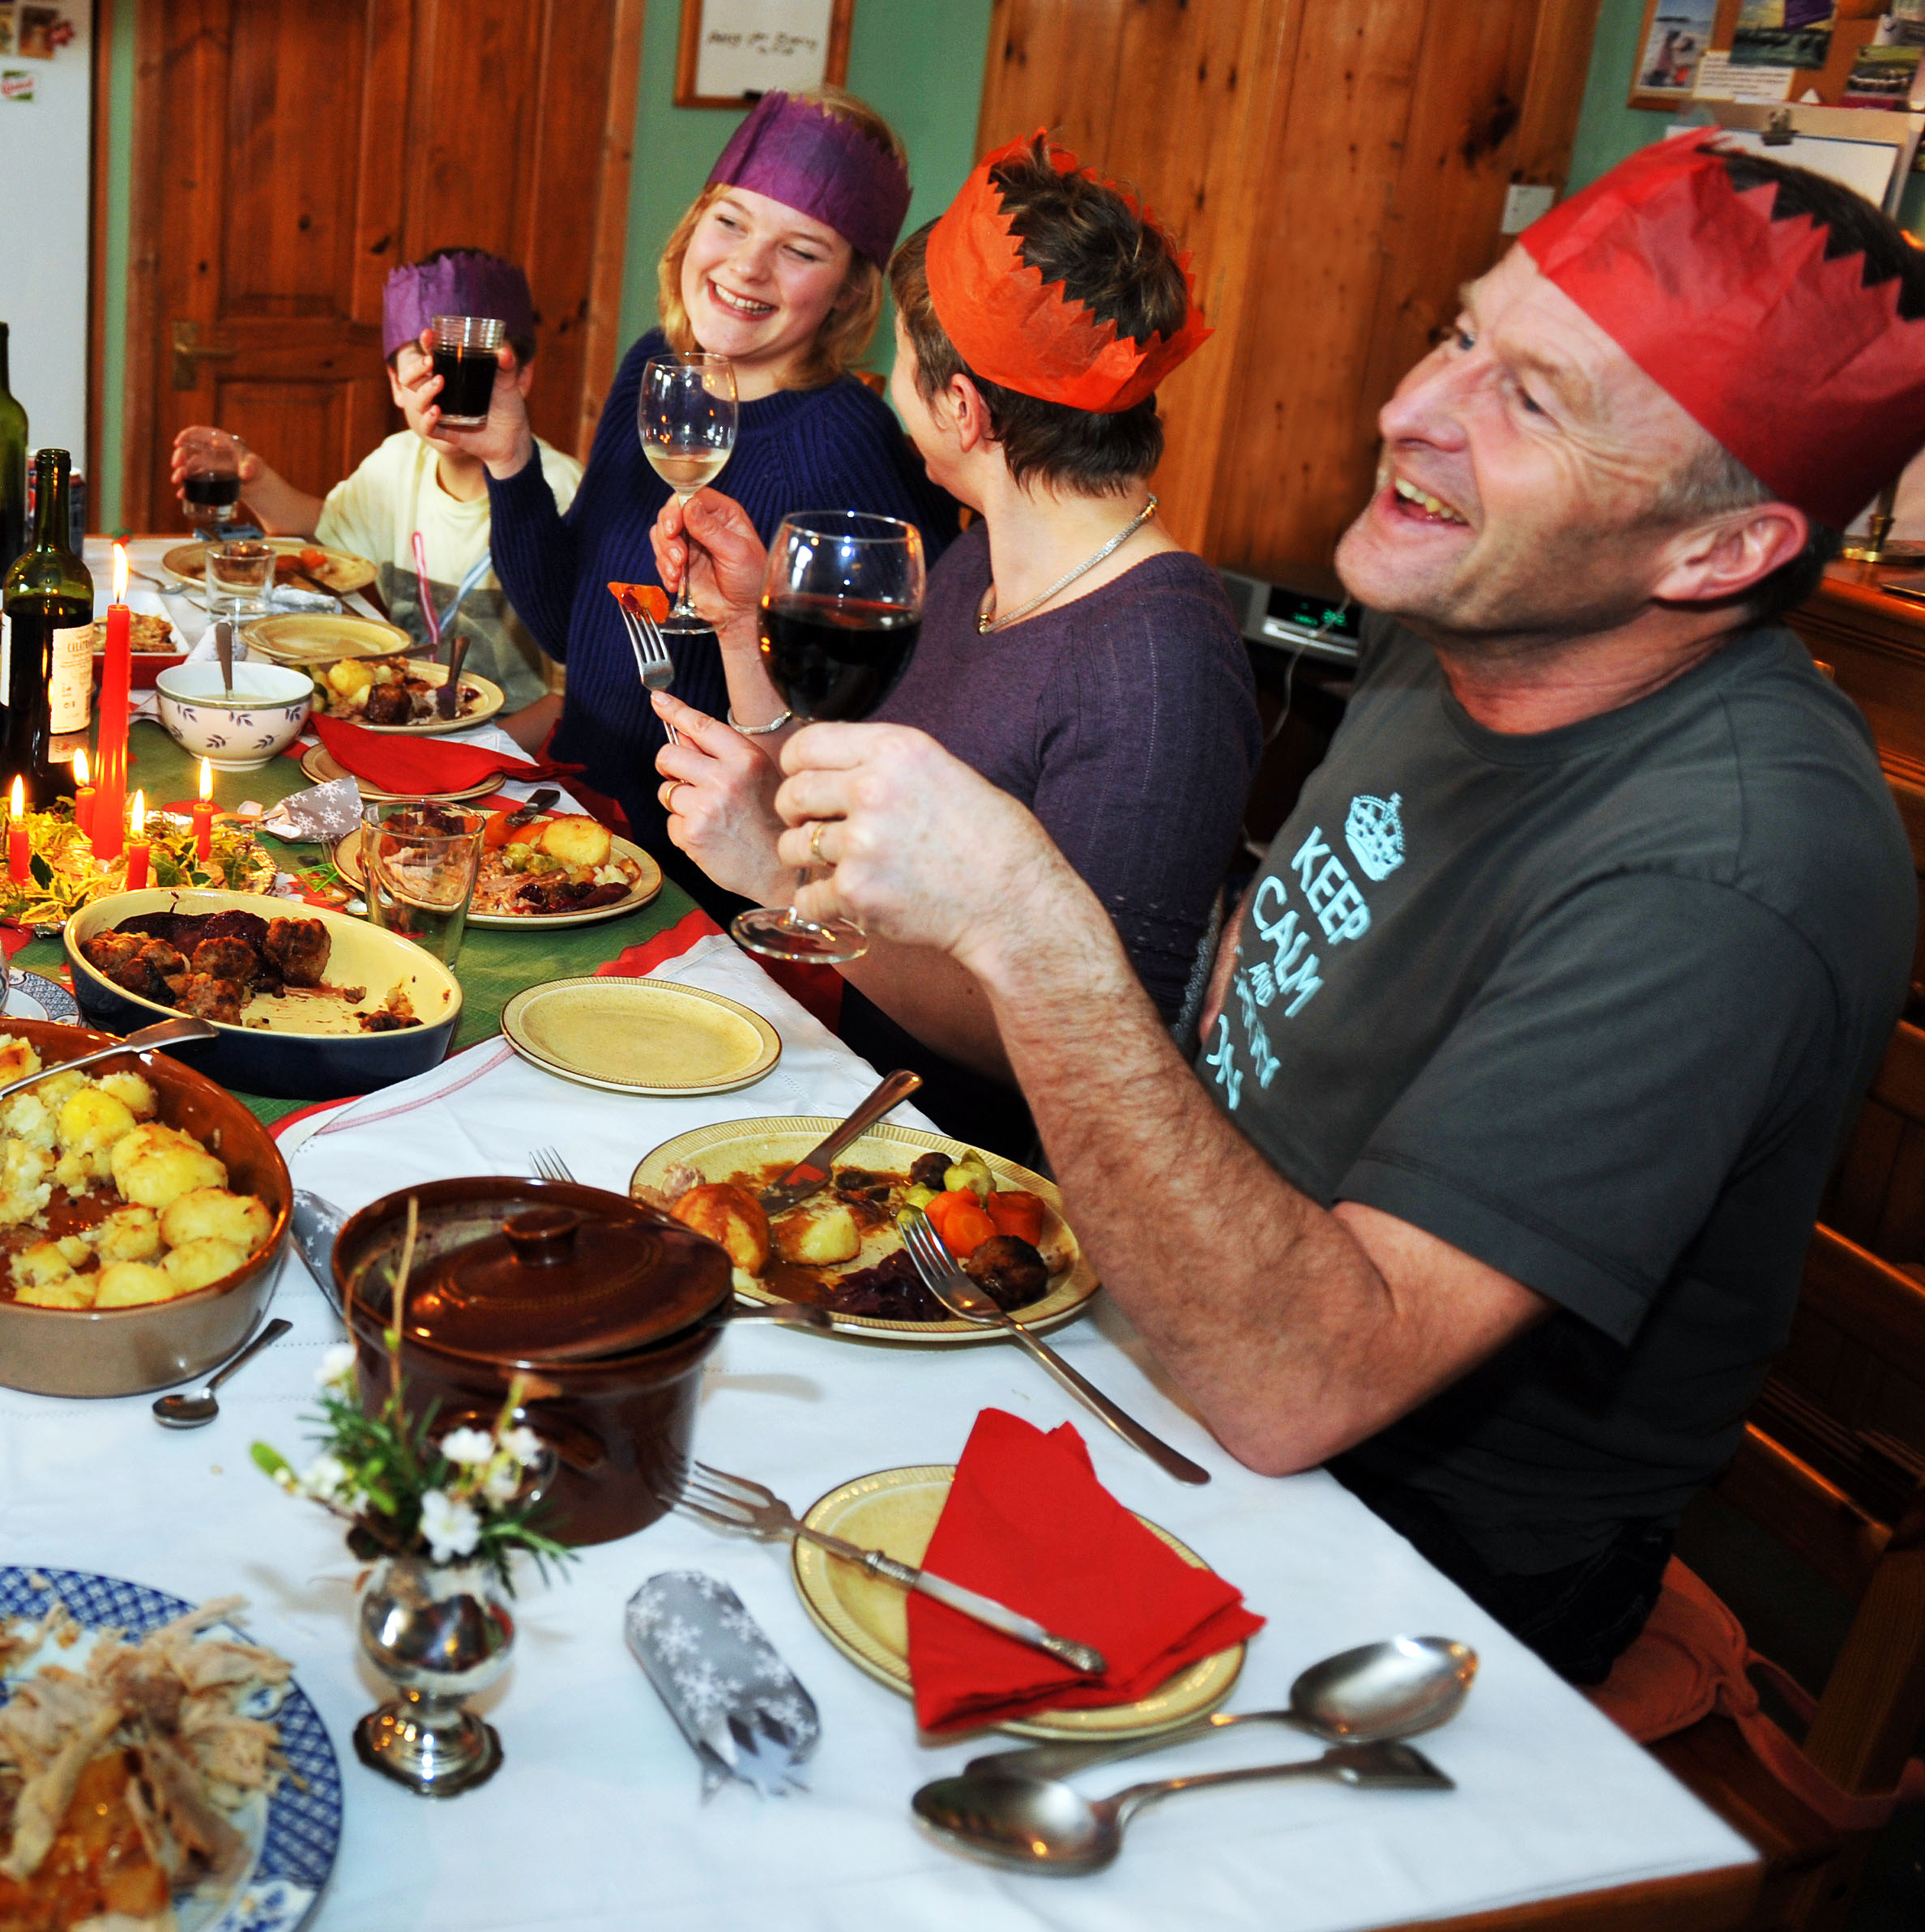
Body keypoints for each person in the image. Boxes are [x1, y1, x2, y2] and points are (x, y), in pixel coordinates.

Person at [741, 134, 1924, 1681]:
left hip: (1413, 1561)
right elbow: (1249, 1004)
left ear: (1721, 550)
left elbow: (1303, 1384)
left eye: (1532, 400)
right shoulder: (1453, 625)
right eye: (1459, 334)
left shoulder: (1728, 864)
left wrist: (1027, 923)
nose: (1409, 410)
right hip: (1147, 1333)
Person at [651, 137, 1259, 1158]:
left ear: (963, 410)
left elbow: (1087, 1053)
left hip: (977, 1194)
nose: (888, 387)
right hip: (851, 1092)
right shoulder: (979, 561)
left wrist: (788, 884)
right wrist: (741, 626)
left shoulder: (1158, 668)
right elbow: (850, 798)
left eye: (900, 363)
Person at [475, 87, 945, 906]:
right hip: (577, 829)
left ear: (845, 291)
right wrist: (509, 461)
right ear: (693, 226)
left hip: (707, 882)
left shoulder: (848, 443)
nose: (745, 267)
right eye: (730, 221)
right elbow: (571, 629)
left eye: (800, 250)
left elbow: (886, 717)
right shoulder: (656, 369)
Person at [164, 246, 585, 728]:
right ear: (395, 385)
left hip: (509, 736)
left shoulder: (563, 490)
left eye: (475, 360)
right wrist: (252, 479)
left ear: (522, 376)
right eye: (424, 357)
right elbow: (319, 542)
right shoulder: (397, 462)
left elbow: (569, 697)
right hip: (398, 718)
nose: (446, 379)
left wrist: (484, 751)